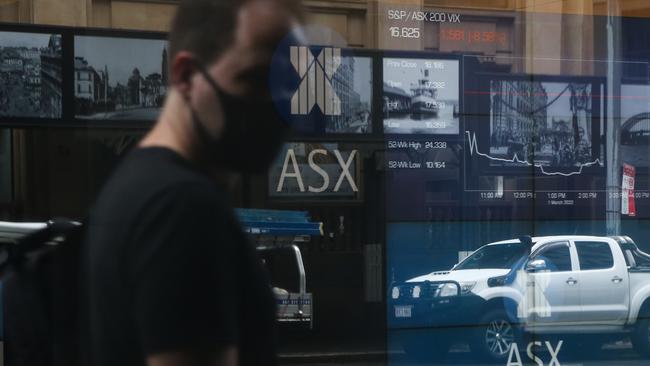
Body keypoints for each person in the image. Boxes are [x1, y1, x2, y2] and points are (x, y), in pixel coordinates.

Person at [82, 0, 303, 365]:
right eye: (254, 78)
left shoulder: (137, 186)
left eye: (285, 84)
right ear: (185, 76)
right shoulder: (184, 209)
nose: (275, 104)